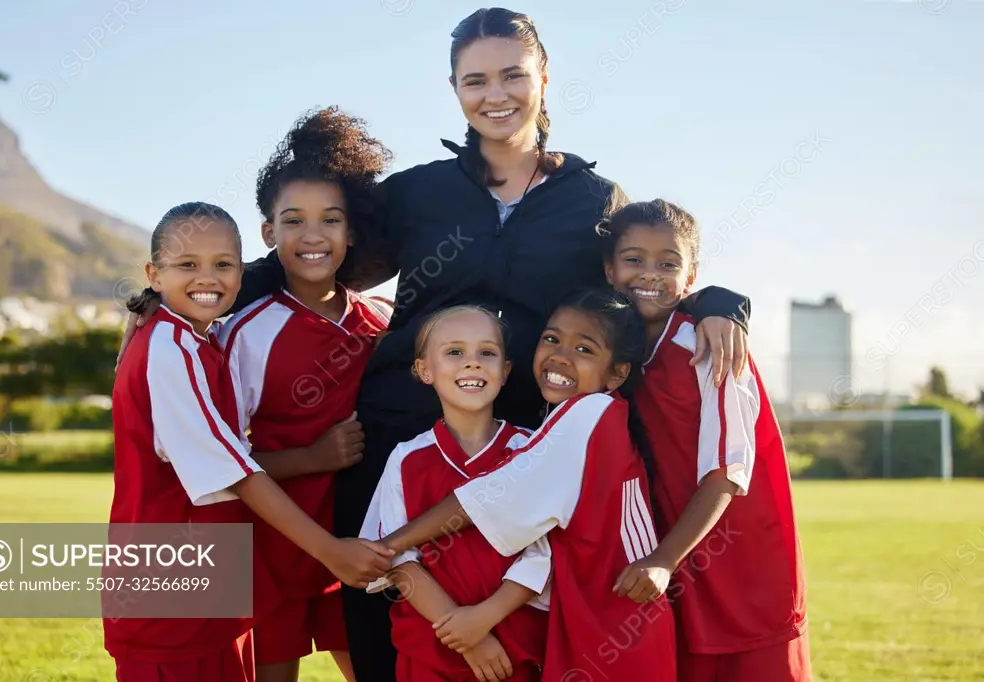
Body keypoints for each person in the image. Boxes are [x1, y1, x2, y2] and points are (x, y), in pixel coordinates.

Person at [116, 10, 751, 680]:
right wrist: (178, 296)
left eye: (512, 74)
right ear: (454, 89)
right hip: (398, 430)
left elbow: (642, 274)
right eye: (475, 79)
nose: (495, 93)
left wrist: (719, 302)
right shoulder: (419, 192)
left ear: (543, 78)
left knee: (512, 628)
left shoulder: (593, 199)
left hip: (525, 443)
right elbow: (319, 256)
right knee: (382, 608)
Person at [106, 202, 392, 682]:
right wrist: (331, 550)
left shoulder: (200, 340)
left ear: (243, 271)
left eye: (223, 265)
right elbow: (237, 472)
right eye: (187, 265)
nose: (207, 277)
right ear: (154, 274)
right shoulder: (169, 348)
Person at [378, 288, 678, 682]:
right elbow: (404, 567)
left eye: (584, 349)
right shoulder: (584, 420)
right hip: (591, 623)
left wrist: (387, 546)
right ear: (423, 369)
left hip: (613, 626)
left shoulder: (587, 417)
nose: (561, 356)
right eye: (551, 339)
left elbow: (485, 504)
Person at [217, 107, 394, 682]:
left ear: (351, 233)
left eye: (330, 220)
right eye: (293, 220)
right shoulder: (244, 332)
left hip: (365, 544)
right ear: (269, 234)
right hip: (273, 548)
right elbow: (221, 464)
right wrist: (310, 459)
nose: (312, 235)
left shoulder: (385, 324)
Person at [600, 200, 811, 682]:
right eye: (633, 259)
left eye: (668, 263)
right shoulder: (615, 348)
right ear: (609, 270)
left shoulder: (710, 346)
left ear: (691, 277)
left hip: (739, 558)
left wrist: (663, 559)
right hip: (673, 555)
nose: (649, 274)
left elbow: (727, 473)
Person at [360, 305, 550, 682]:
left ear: (505, 371)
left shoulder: (532, 450)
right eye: (454, 352)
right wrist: (464, 635)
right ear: (423, 370)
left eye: (487, 353)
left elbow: (544, 554)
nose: (473, 363)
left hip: (513, 652)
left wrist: (484, 619)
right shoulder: (406, 459)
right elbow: (396, 557)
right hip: (432, 650)